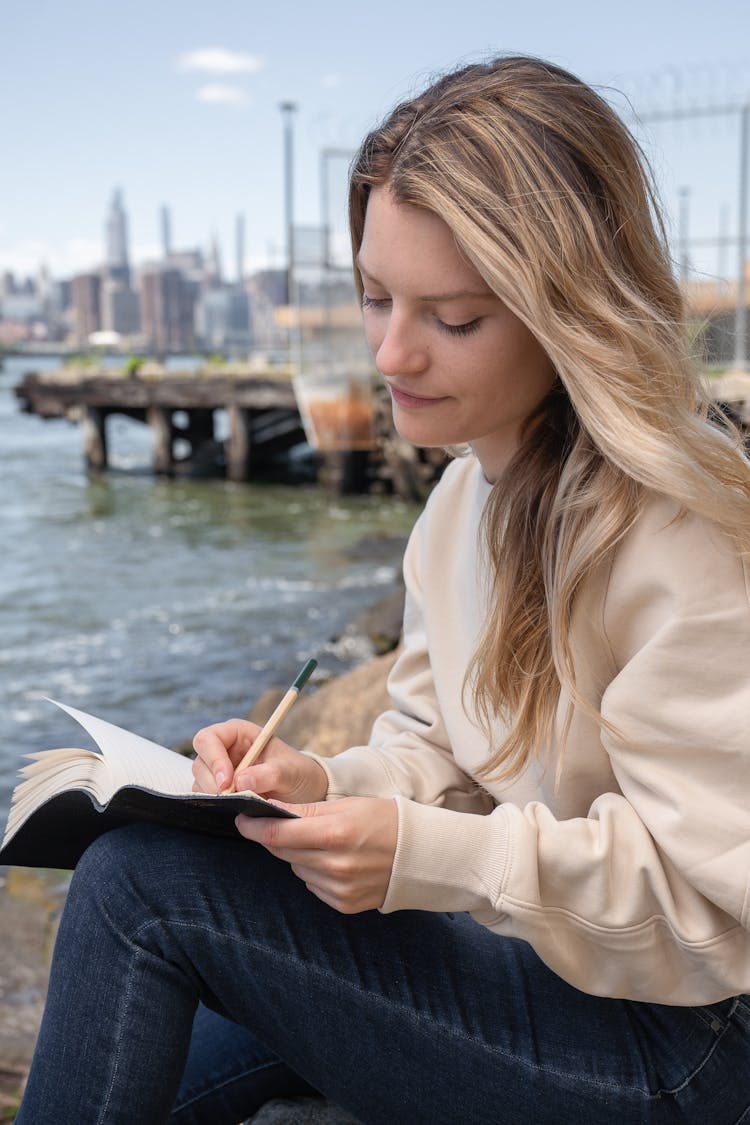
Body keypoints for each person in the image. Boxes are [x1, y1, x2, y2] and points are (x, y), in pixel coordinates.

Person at [16, 55, 750, 1125]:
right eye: (375, 296)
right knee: (137, 1036)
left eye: (452, 317)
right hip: (547, 968)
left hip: (680, 1049)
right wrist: (318, 778)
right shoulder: (463, 503)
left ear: (568, 311)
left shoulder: (682, 536)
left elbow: (714, 906)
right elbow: (440, 748)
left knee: (137, 890)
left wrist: (428, 860)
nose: (392, 352)